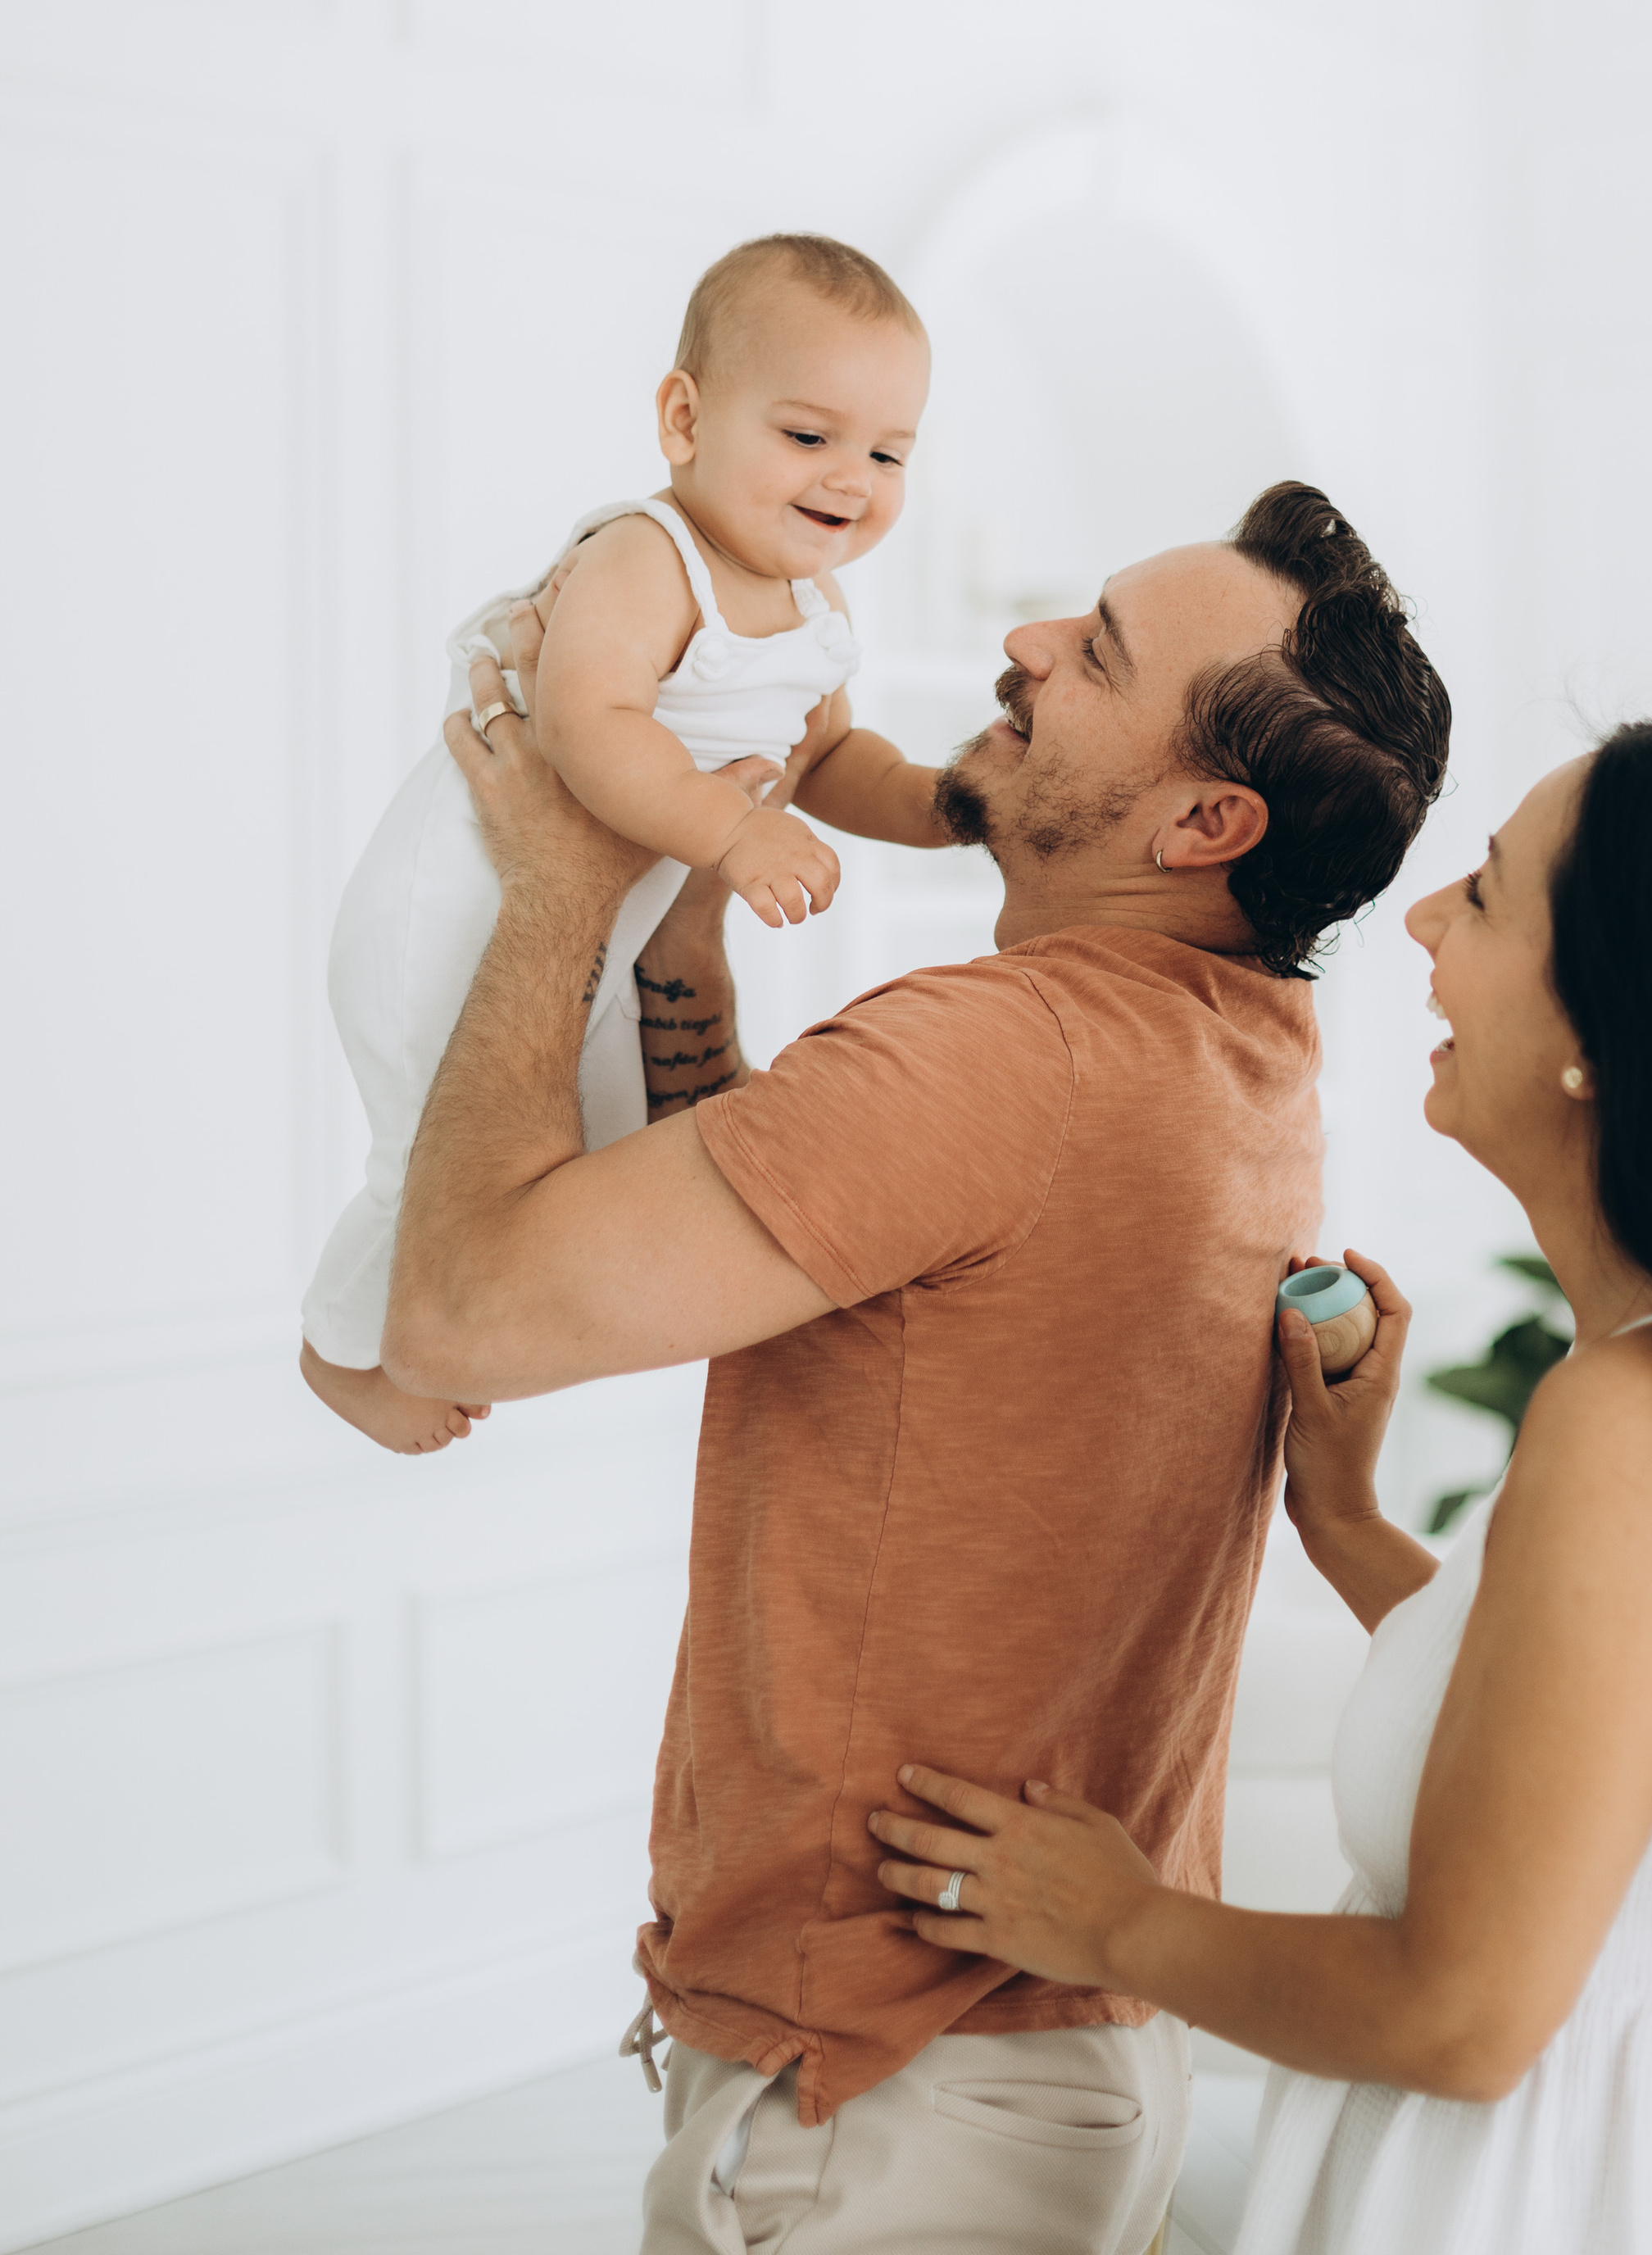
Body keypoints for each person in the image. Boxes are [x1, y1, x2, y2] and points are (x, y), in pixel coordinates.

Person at [381, 479, 1452, 2255]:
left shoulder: (1000, 1059)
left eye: (1093, 654)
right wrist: (687, 919)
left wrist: (561, 880)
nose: (1026, 647)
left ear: (1203, 818)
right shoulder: (1238, 1050)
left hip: (893, 2096)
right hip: (1031, 2060)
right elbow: (771, 1262)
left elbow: (453, 1318)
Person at [873, 722, 1652, 2255]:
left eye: (1485, 898)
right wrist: (1349, 1524)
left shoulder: (1631, 1421)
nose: (1422, 922)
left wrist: (1113, 1919)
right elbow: (1629, 1746)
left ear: (1605, 1035)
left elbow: (1463, 2014)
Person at [302, 231, 953, 1454]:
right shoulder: (648, 560)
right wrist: (733, 832)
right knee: (429, 1137)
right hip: (451, 912)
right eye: (809, 438)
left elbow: (827, 759)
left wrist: (939, 808)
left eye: (888, 452)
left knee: (577, 1159)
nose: (851, 478)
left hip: (581, 935)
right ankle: (344, 1348)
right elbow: (585, 728)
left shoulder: (816, 603)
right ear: (682, 417)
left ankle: (452, 1322)